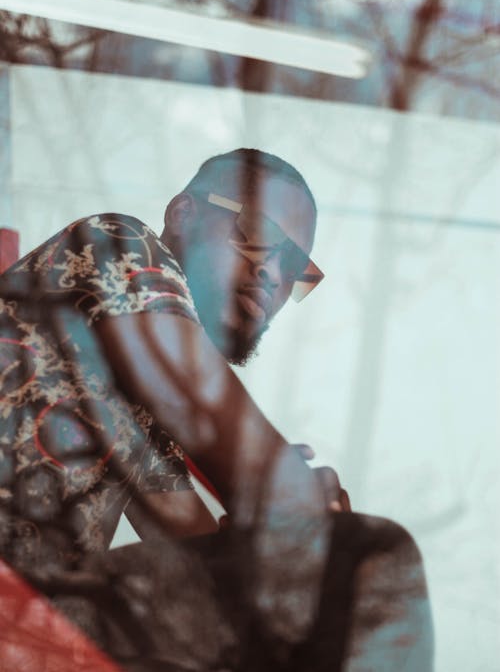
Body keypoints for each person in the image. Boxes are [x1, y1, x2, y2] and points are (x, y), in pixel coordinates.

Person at [0, 148, 433, 671]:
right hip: (22, 617)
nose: (273, 272)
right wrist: (282, 487)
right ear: (184, 213)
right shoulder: (115, 241)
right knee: (374, 557)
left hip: (30, 626)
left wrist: (277, 521)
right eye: (256, 233)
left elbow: (202, 553)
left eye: (294, 265)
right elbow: (188, 387)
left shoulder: (137, 409)